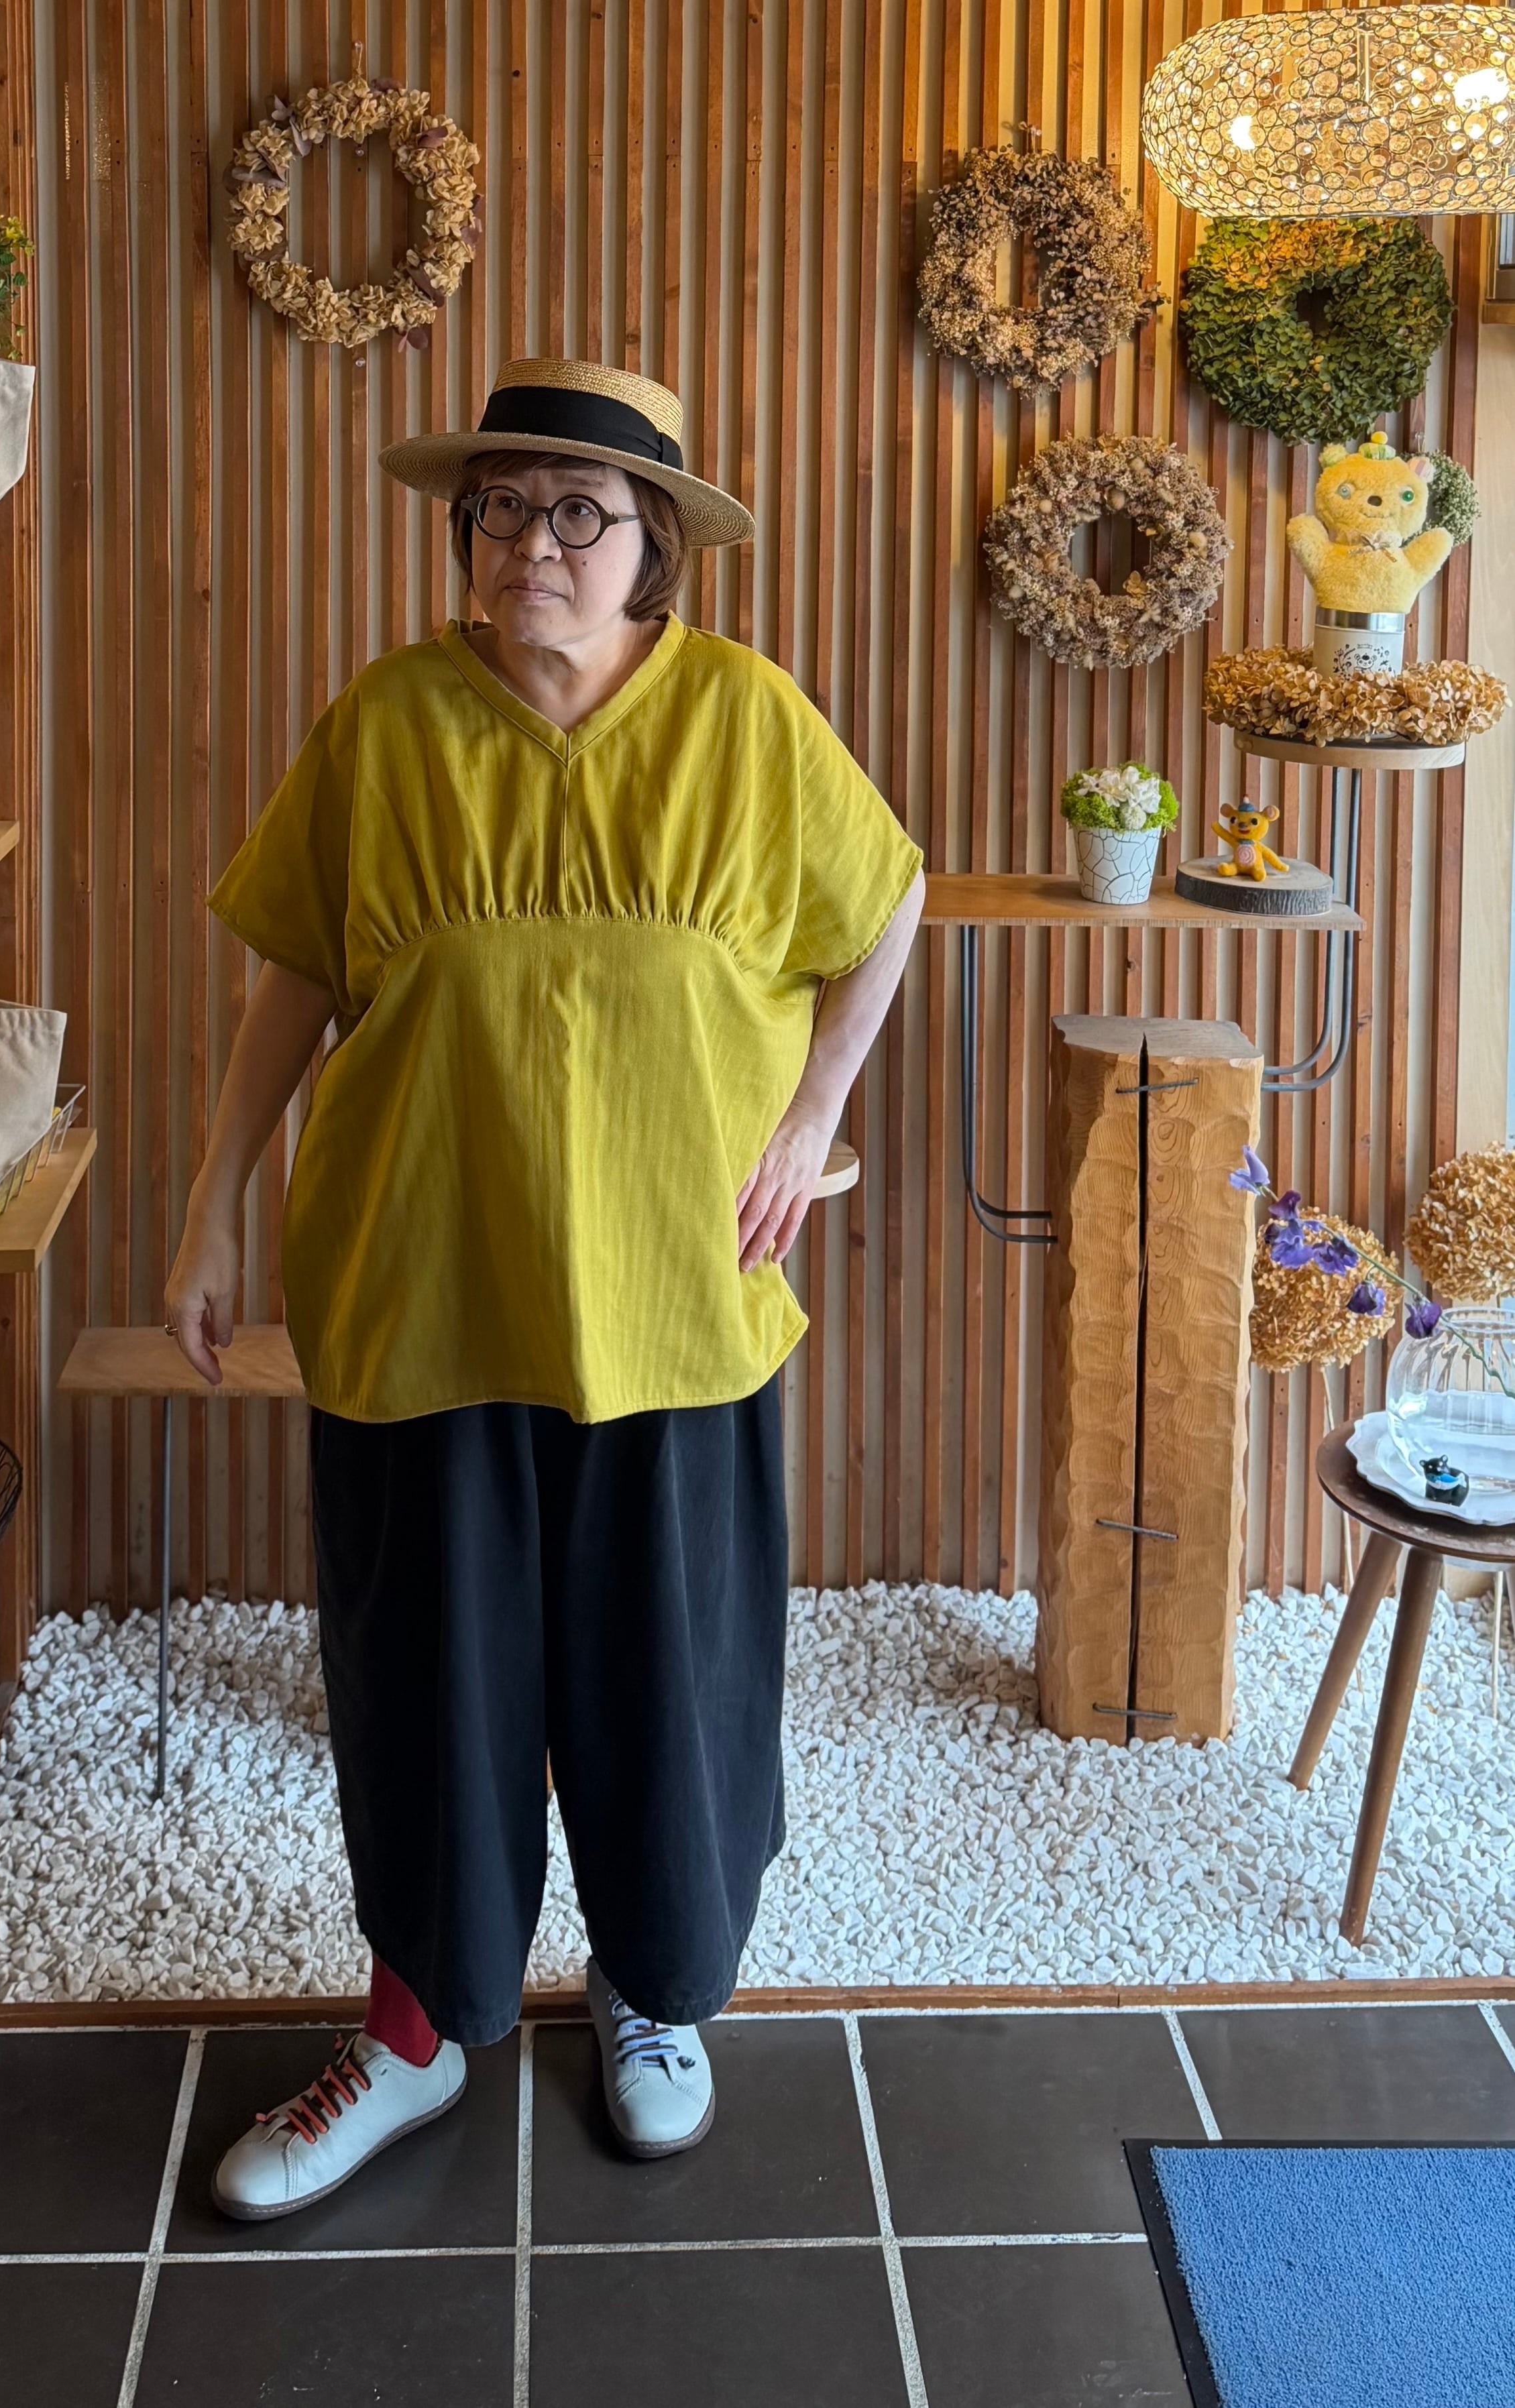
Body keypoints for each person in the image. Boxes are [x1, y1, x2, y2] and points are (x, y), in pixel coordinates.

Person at [164, 357, 924, 2218]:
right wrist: (212, 1203)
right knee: (430, 1680)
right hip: (422, 1278)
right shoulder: (386, 722)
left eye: (581, 512)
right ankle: (415, 2028)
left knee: (669, 1676)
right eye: (500, 507)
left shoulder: (746, 718)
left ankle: (653, 1995)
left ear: (655, 547)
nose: (533, 544)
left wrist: (810, 1115)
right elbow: (293, 972)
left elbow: (886, 900)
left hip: (675, 1297)